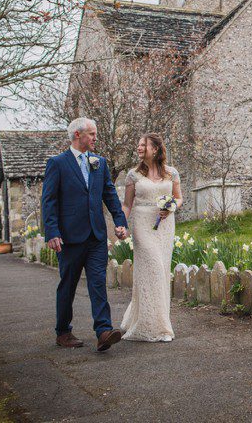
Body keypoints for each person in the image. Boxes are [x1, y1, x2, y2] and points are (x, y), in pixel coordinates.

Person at [41, 117, 128, 351]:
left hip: (96, 236)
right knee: (67, 285)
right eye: (91, 134)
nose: (95, 138)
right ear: (77, 135)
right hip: (68, 238)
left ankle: (103, 331)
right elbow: (48, 200)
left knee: (98, 282)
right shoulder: (57, 163)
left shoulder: (99, 162)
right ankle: (63, 332)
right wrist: (52, 232)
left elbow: (109, 194)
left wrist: (120, 221)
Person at [120, 132, 182, 342]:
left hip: (165, 226)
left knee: (161, 272)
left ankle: (152, 320)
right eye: (138, 145)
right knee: (153, 268)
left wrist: (171, 207)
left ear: (154, 149)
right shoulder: (133, 175)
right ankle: (156, 327)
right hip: (142, 225)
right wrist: (121, 224)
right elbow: (127, 205)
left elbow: (179, 198)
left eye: (142, 145)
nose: (138, 148)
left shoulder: (171, 173)